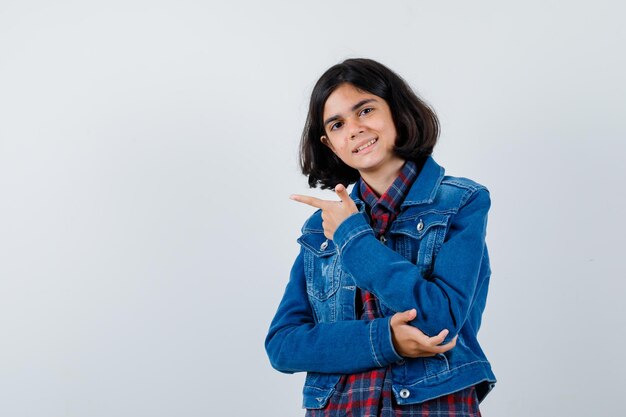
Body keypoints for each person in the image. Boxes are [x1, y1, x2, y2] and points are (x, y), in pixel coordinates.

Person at [265, 58, 496, 417]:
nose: (354, 129)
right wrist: (385, 340)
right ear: (329, 144)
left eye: (366, 110)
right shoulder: (320, 227)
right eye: (338, 124)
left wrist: (352, 236)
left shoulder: (461, 203)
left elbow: (440, 322)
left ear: (397, 112)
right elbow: (283, 345)